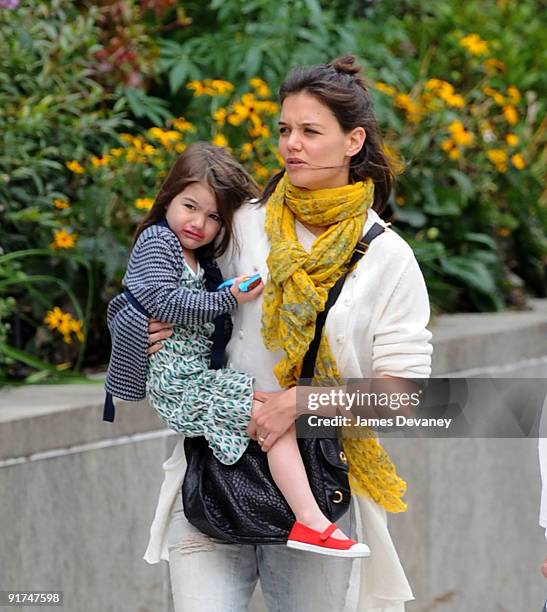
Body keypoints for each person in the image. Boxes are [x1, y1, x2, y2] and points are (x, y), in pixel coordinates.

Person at [144, 56, 433, 611]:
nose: (290, 145)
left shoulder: (387, 258)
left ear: (353, 142)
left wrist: (299, 403)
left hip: (317, 494)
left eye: (309, 131)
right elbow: (170, 282)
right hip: (216, 473)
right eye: (284, 129)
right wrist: (154, 323)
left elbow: (405, 397)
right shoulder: (240, 225)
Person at [105, 142, 370, 558]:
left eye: (213, 216)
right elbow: (163, 301)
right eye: (189, 206)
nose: (199, 223)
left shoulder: (195, 256)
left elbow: (191, 305)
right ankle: (311, 522)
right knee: (271, 417)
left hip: (195, 378)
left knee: (274, 412)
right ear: (168, 198)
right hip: (180, 385)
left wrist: (226, 289)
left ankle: (310, 522)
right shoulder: (158, 241)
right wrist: (227, 300)